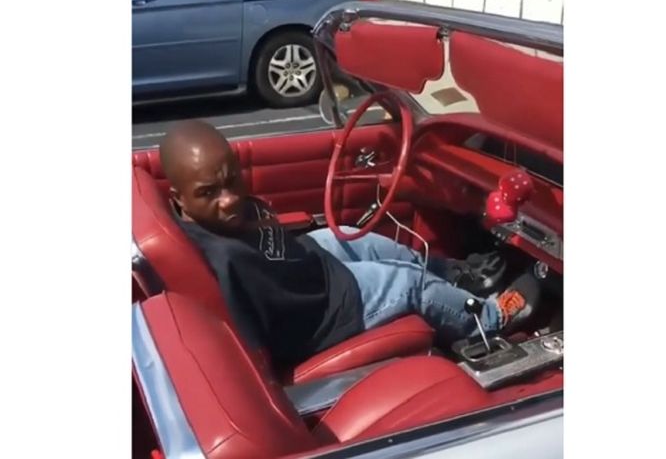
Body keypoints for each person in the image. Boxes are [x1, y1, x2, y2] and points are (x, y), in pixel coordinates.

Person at [158, 120, 540, 366]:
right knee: (409, 283)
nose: (229, 200)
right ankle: (491, 319)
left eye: (232, 182)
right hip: (323, 310)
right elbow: (254, 349)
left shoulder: (222, 215)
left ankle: (455, 276)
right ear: (179, 198)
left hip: (309, 263)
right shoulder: (222, 260)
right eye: (209, 192)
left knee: (367, 241)